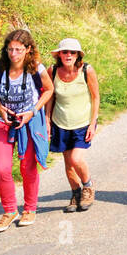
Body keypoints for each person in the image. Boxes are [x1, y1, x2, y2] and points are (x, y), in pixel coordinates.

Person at [0, 29, 53, 232]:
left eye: (18, 49)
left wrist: (33, 112)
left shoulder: (36, 69)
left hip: (29, 122)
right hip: (3, 121)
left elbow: (49, 90)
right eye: (10, 49)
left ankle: (30, 209)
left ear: (28, 49)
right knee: (1, 168)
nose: (13, 53)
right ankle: (9, 211)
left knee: (27, 167)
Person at [46, 38, 100, 212]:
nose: (68, 55)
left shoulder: (86, 71)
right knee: (68, 163)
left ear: (78, 55)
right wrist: (47, 120)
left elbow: (95, 97)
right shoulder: (52, 71)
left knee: (76, 159)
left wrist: (93, 123)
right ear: (59, 54)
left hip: (83, 123)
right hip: (60, 123)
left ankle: (88, 187)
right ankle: (76, 194)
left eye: (72, 52)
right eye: (64, 52)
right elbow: (50, 96)